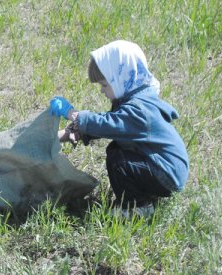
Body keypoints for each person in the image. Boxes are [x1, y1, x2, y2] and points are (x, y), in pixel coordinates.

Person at [49, 40, 189, 217]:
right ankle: (142, 195)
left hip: (166, 173)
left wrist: (75, 116)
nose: (102, 91)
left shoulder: (139, 108)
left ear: (122, 78)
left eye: (105, 85)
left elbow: (109, 124)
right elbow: (113, 126)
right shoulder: (136, 99)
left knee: (118, 158)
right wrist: (72, 132)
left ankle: (138, 206)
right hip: (163, 167)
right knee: (118, 149)